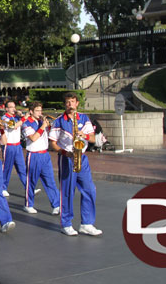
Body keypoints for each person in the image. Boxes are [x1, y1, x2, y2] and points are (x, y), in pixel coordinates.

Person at [49, 92, 103, 236]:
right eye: (67, 102)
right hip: (67, 157)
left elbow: (92, 139)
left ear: (77, 103)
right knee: (67, 191)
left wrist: (83, 135)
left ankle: (87, 223)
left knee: (89, 189)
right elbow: (53, 143)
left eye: (72, 102)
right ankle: (66, 224)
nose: (70, 105)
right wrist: (66, 153)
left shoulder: (84, 118)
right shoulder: (59, 121)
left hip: (82, 157)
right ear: (64, 104)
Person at [21, 102, 60, 215]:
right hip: (33, 154)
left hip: (45, 154)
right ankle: (28, 204)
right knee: (31, 181)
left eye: (40, 110)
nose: (40, 113)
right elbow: (33, 138)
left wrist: (49, 126)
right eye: (37, 110)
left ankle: (56, 205)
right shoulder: (26, 124)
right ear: (31, 112)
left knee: (50, 181)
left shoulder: (41, 122)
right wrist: (43, 126)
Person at [1, 100, 28, 197]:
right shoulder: (4, 118)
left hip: (17, 145)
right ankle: (3, 187)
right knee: (7, 167)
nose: (13, 109)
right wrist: (24, 118)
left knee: (22, 168)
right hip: (8, 145)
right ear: (6, 109)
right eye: (11, 107)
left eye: (14, 107)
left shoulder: (16, 117)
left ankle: (28, 187)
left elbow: (23, 123)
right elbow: (13, 126)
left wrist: (21, 116)